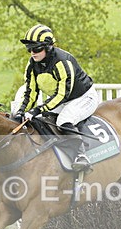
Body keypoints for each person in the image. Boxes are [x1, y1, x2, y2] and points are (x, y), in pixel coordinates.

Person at [13, 24, 101, 171]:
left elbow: (62, 94)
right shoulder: (32, 65)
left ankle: (81, 155)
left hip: (83, 97)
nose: (32, 53)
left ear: (48, 47)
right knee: (40, 120)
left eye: (36, 49)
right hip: (62, 100)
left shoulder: (62, 62)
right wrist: (21, 111)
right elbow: (30, 91)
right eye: (29, 49)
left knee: (64, 120)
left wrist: (37, 109)